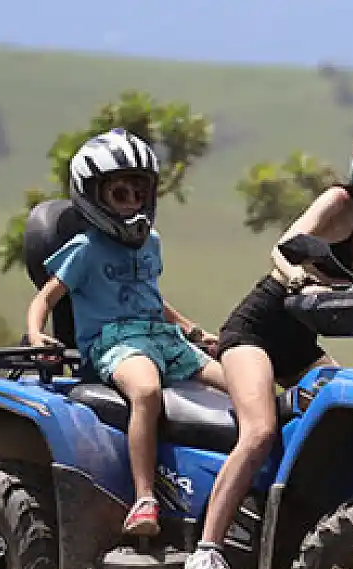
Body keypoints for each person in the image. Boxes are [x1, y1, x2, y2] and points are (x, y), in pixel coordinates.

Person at [181, 109, 353, 569]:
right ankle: (205, 557)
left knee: (343, 418)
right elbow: (284, 249)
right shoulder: (341, 204)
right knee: (260, 430)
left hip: (299, 344)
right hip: (255, 333)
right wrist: (300, 279)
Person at [26, 127, 225, 538]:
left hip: (162, 338)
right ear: (92, 196)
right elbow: (46, 298)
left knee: (244, 384)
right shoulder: (85, 249)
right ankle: (145, 499)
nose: (133, 203)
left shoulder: (150, 243)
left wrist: (190, 329)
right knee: (147, 393)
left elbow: (149, 296)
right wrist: (35, 333)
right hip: (116, 343)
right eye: (120, 194)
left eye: (140, 193)